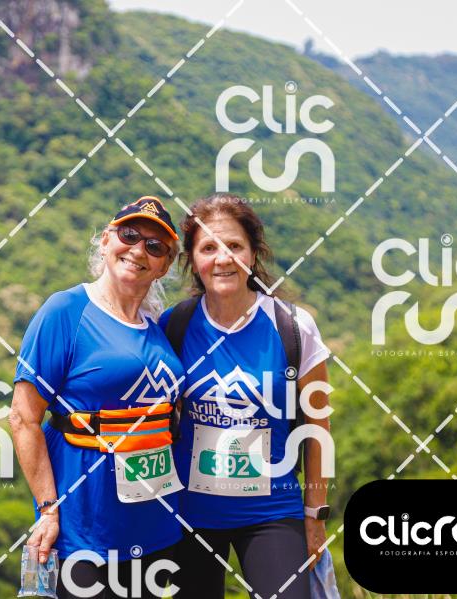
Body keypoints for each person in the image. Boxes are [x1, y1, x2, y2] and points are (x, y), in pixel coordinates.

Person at [9, 196, 187, 599]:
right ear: (106, 240)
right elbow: (23, 418)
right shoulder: (66, 311)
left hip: (156, 525)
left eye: (155, 246)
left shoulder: (156, 326)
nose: (138, 250)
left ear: (164, 265)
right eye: (129, 235)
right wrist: (48, 509)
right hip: (85, 528)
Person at [159, 194, 333, 599]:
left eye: (234, 246)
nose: (223, 259)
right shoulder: (175, 326)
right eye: (208, 248)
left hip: (273, 512)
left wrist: (315, 515)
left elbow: (318, 429)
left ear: (253, 254)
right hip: (191, 514)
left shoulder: (294, 327)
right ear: (193, 261)